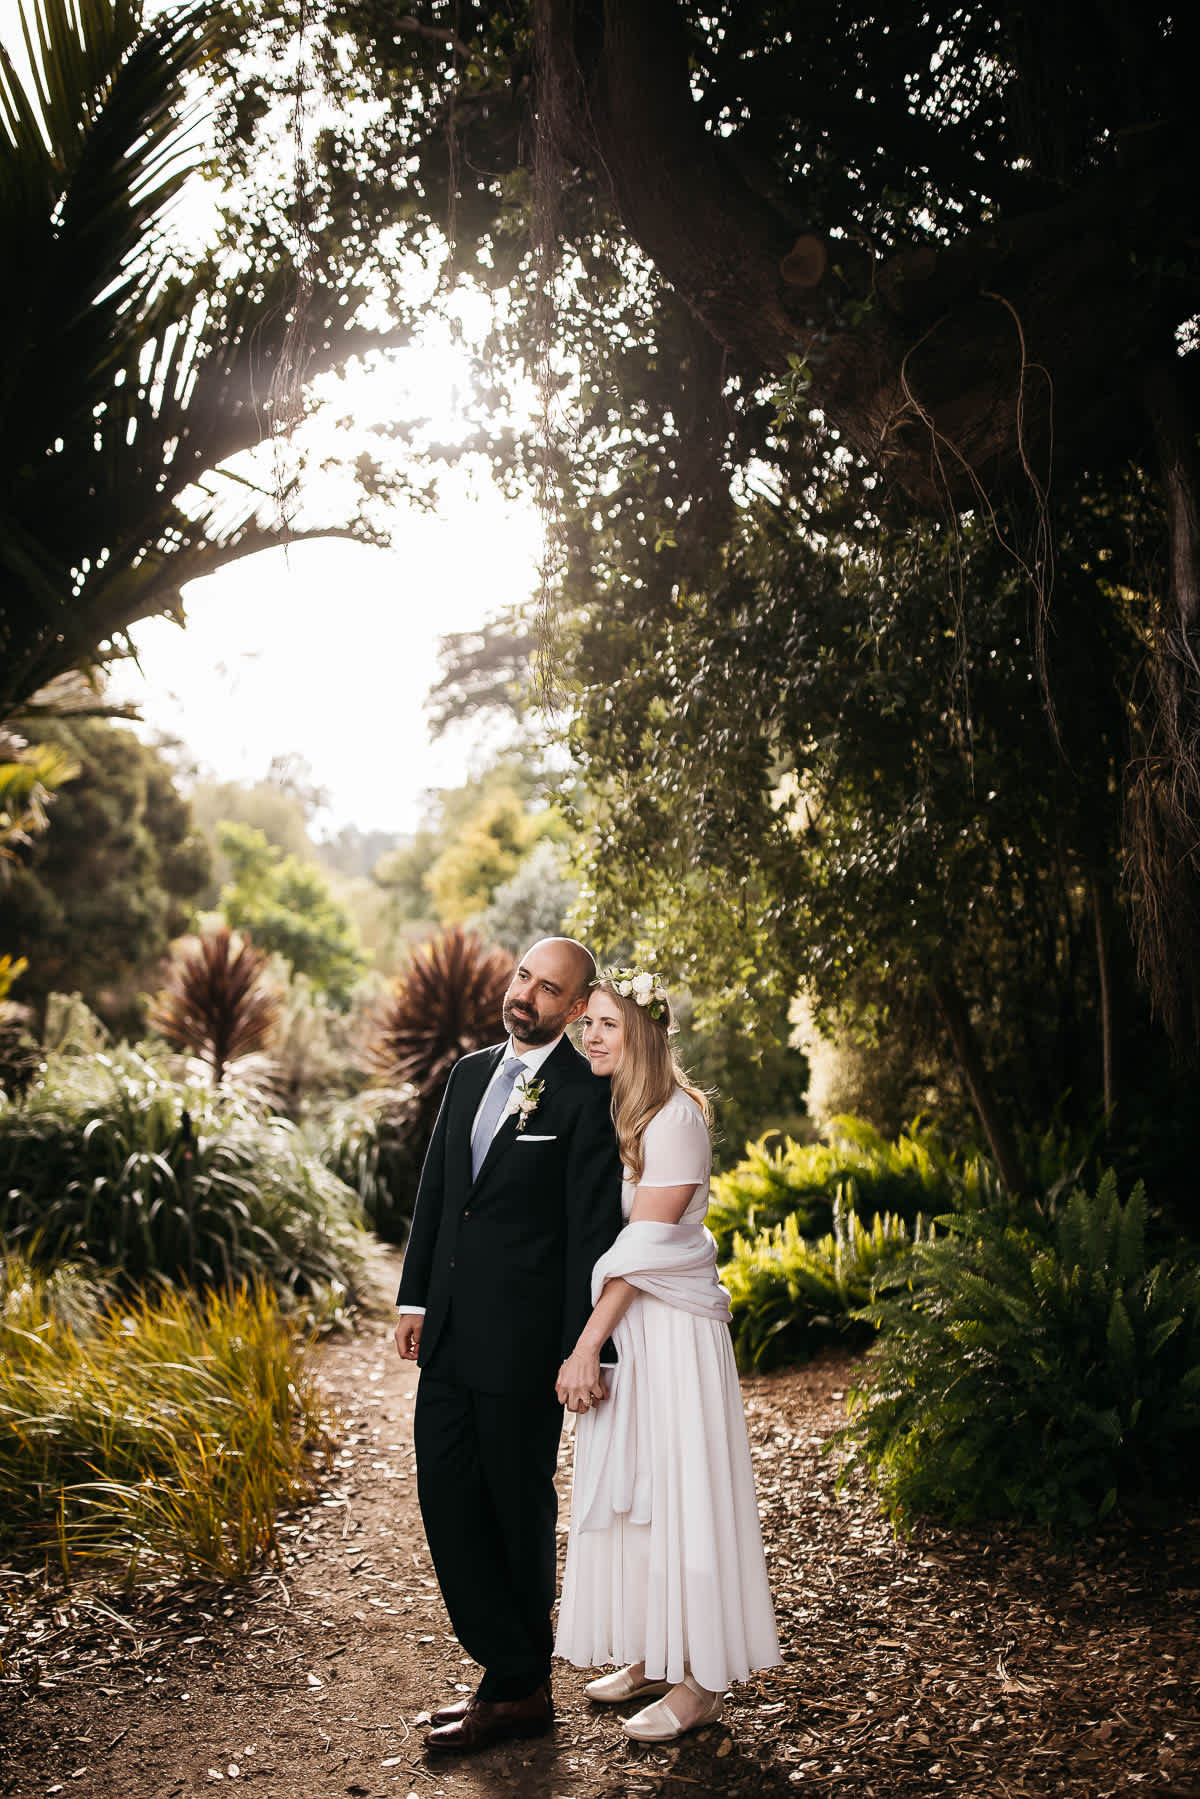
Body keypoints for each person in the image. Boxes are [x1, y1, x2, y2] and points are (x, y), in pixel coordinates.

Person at [393, 936, 623, 1754]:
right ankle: (511, 1668)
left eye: (547, 988)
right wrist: (415, 1295)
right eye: (523, 975)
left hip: (526, 1348)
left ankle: (518, 1687)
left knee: (516, 1507)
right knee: (445, 1494)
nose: (525, 994)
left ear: (574, 1004)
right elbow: (438, 1192)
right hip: (450, 1330)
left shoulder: (583, 1095)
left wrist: (582, 1349)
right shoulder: (467, 1073)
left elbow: (593, 1231)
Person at [554, 969, 779, 1742]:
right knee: (642, 1494)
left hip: (674, 1336)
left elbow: (646, 1247)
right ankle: (653, 1650)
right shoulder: (630, 1110)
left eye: (608, 1024)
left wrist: (586, 1344)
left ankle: (702, 1680)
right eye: (589, 1024)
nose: (592, 1036)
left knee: (685, 1493)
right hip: (641, 1330)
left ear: (644, 1032)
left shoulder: (677, 1117)